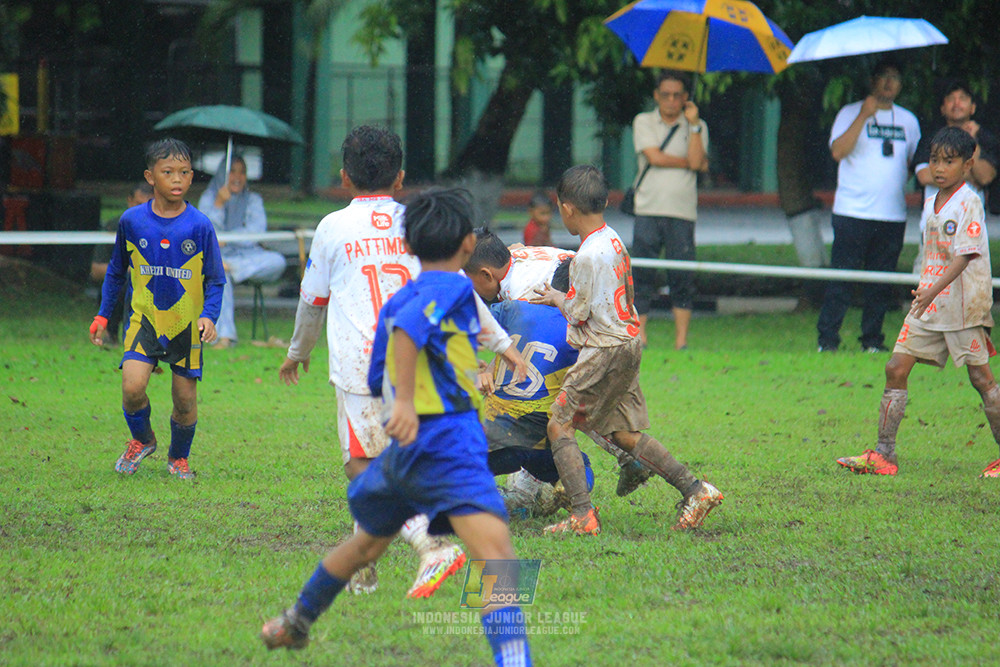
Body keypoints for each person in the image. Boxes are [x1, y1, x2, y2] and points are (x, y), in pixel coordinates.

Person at [261, 188, 533, 667]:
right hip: (448, 447)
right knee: (498, 558)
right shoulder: (450, 286)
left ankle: (296, 620)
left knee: (366, 544)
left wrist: (504, 348)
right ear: (469, 245)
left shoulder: (405, 296)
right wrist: (407, 401)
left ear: (408, 244)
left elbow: (385, 360)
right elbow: (411, 330)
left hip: (403, 458)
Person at [277, 126, 525, 598]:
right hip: (424, 371)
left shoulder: (332, 227)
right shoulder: (418, 221)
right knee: (389, 463)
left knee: (362, 464)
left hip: (360, 365)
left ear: (344, 177)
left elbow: (313, 302)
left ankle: (430, 545)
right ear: (401, 177)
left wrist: (297, 353)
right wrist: (494, 347)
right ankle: (365, 564)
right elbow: (454, 294)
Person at [533, 165, 722, 535]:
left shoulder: (585, 257)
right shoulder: (613, 239)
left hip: (604, 349)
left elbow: (578, 310)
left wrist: (556, 296)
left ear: (567, 208)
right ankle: (696, 490)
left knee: (559, 424)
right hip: (629, 342)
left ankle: (582, 516)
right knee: (621, 433)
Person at [836, 127, 1000, 478]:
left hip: (963, 307)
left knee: (982, 379)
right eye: (934, 160)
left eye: (949, 161)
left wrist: (930, 289)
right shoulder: (930, 203)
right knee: (895, 367)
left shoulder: (970, 202)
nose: (939, 168)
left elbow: (963, 257)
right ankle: (884, 454)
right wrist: (925, 290)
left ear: (968, 165)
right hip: (928, 305)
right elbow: (935, 255)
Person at [88, 138, 225, 480]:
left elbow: (216, 280)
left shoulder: (200, 226)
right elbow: (117, 272)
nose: (177, 179)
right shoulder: (132, 222)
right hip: (144, 320)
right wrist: (103, 315)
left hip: (185, 324)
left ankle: (178, 458)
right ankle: (142, 440)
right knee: (132, 388)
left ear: (192, 177)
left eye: (184, 172)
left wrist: (209, 315)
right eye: (168, 172)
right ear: (151, 177)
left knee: (183, 401)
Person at [817, 58, 921, 353]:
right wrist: (863, 115)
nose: (889, 83)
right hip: (852, 212)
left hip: (891, 214)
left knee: (880, 283)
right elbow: (838, 151)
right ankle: (827, 339)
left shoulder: (908, 121)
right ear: (873, 81)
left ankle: (872, 340)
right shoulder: (849, 113)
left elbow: (915, 164)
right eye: (884, 76)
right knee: (842, 279)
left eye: (895, 77)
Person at [631, 70, 709, 351]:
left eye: (678, 95)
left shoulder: (698, 126)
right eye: (666, 94)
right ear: (656, 95)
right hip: (648, 208)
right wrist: (687, 161)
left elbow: (699, 163)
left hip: (683, 211)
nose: (671, 100)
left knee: (683, 276)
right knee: (642, 273)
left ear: (686, 98)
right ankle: (640, 335)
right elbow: (654, 156)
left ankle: (681, 340)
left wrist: (695, 127)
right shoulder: (643, 121)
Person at [198, 155, 287, 348]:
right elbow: (207, 234)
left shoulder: (253, 199)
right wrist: (218, 205)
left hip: (247, 256)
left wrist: (229, 237)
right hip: (219, 257)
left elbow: (255, 232)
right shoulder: (208, 198)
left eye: (242, 172)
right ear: (223, 174)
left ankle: (232, 268)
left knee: (277, 261)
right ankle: (225, 336)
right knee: (220, 274)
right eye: (232, 171)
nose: (237, 177)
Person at [914, 78, 999, 208]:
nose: (957, 103)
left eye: (962, 98)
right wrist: (970, 177)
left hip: (971, 221)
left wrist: (972, 141)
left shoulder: (984, 138)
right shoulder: (931, 138)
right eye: (951, 99)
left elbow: (985, 177)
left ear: (973, 108)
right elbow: (923, 176)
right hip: (936, 220)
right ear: (942, 108)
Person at [90, 182, 154, 345]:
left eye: (149, 204)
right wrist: (127, 270)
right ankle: (111, 332)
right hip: (124, 281)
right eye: (139, 204)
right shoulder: (114, 227)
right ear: (129, 201)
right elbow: (96, 270)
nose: (143, 210)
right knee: (121, 282)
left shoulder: (164, 229)